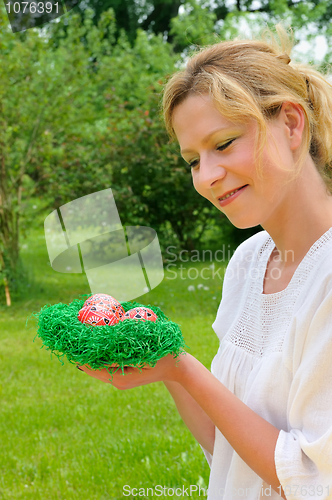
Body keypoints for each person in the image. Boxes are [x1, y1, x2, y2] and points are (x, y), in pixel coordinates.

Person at [78, 25, 332, 499]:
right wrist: (166, 362)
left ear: (291, 124)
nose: (208, 177)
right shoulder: (247, 263)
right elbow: (230, 451)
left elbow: (313, 478)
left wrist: (185, 369)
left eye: (223, 144)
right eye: (192, 160)